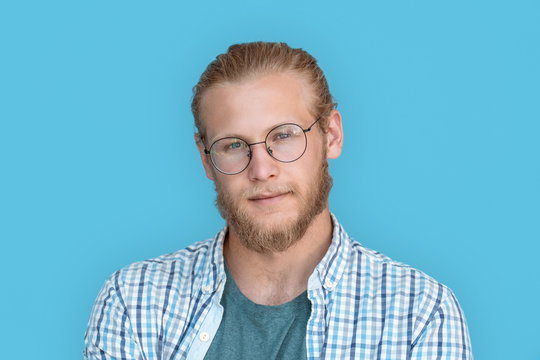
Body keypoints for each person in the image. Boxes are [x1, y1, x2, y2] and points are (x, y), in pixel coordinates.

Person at [84, 42, 472, 359]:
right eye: (234, 145)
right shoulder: (134, 304)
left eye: (284, 135)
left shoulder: (419, 314)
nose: (262, 170)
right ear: (206, 159)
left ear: (331, 135)